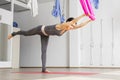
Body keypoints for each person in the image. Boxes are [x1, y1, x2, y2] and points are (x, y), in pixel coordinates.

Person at [8, 14, 92, 72]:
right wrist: (84, 15)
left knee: (44, 51)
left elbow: (79, 26)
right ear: (68, 23)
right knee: (26, 33)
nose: (73, 27)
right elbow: (73, 22)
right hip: (40, 29)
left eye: (73, 26)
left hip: (45, 35)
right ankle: (13, 33)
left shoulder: (67, 28)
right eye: (72, 25)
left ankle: (43, 69)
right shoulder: (63, 25)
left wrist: (89, 20)